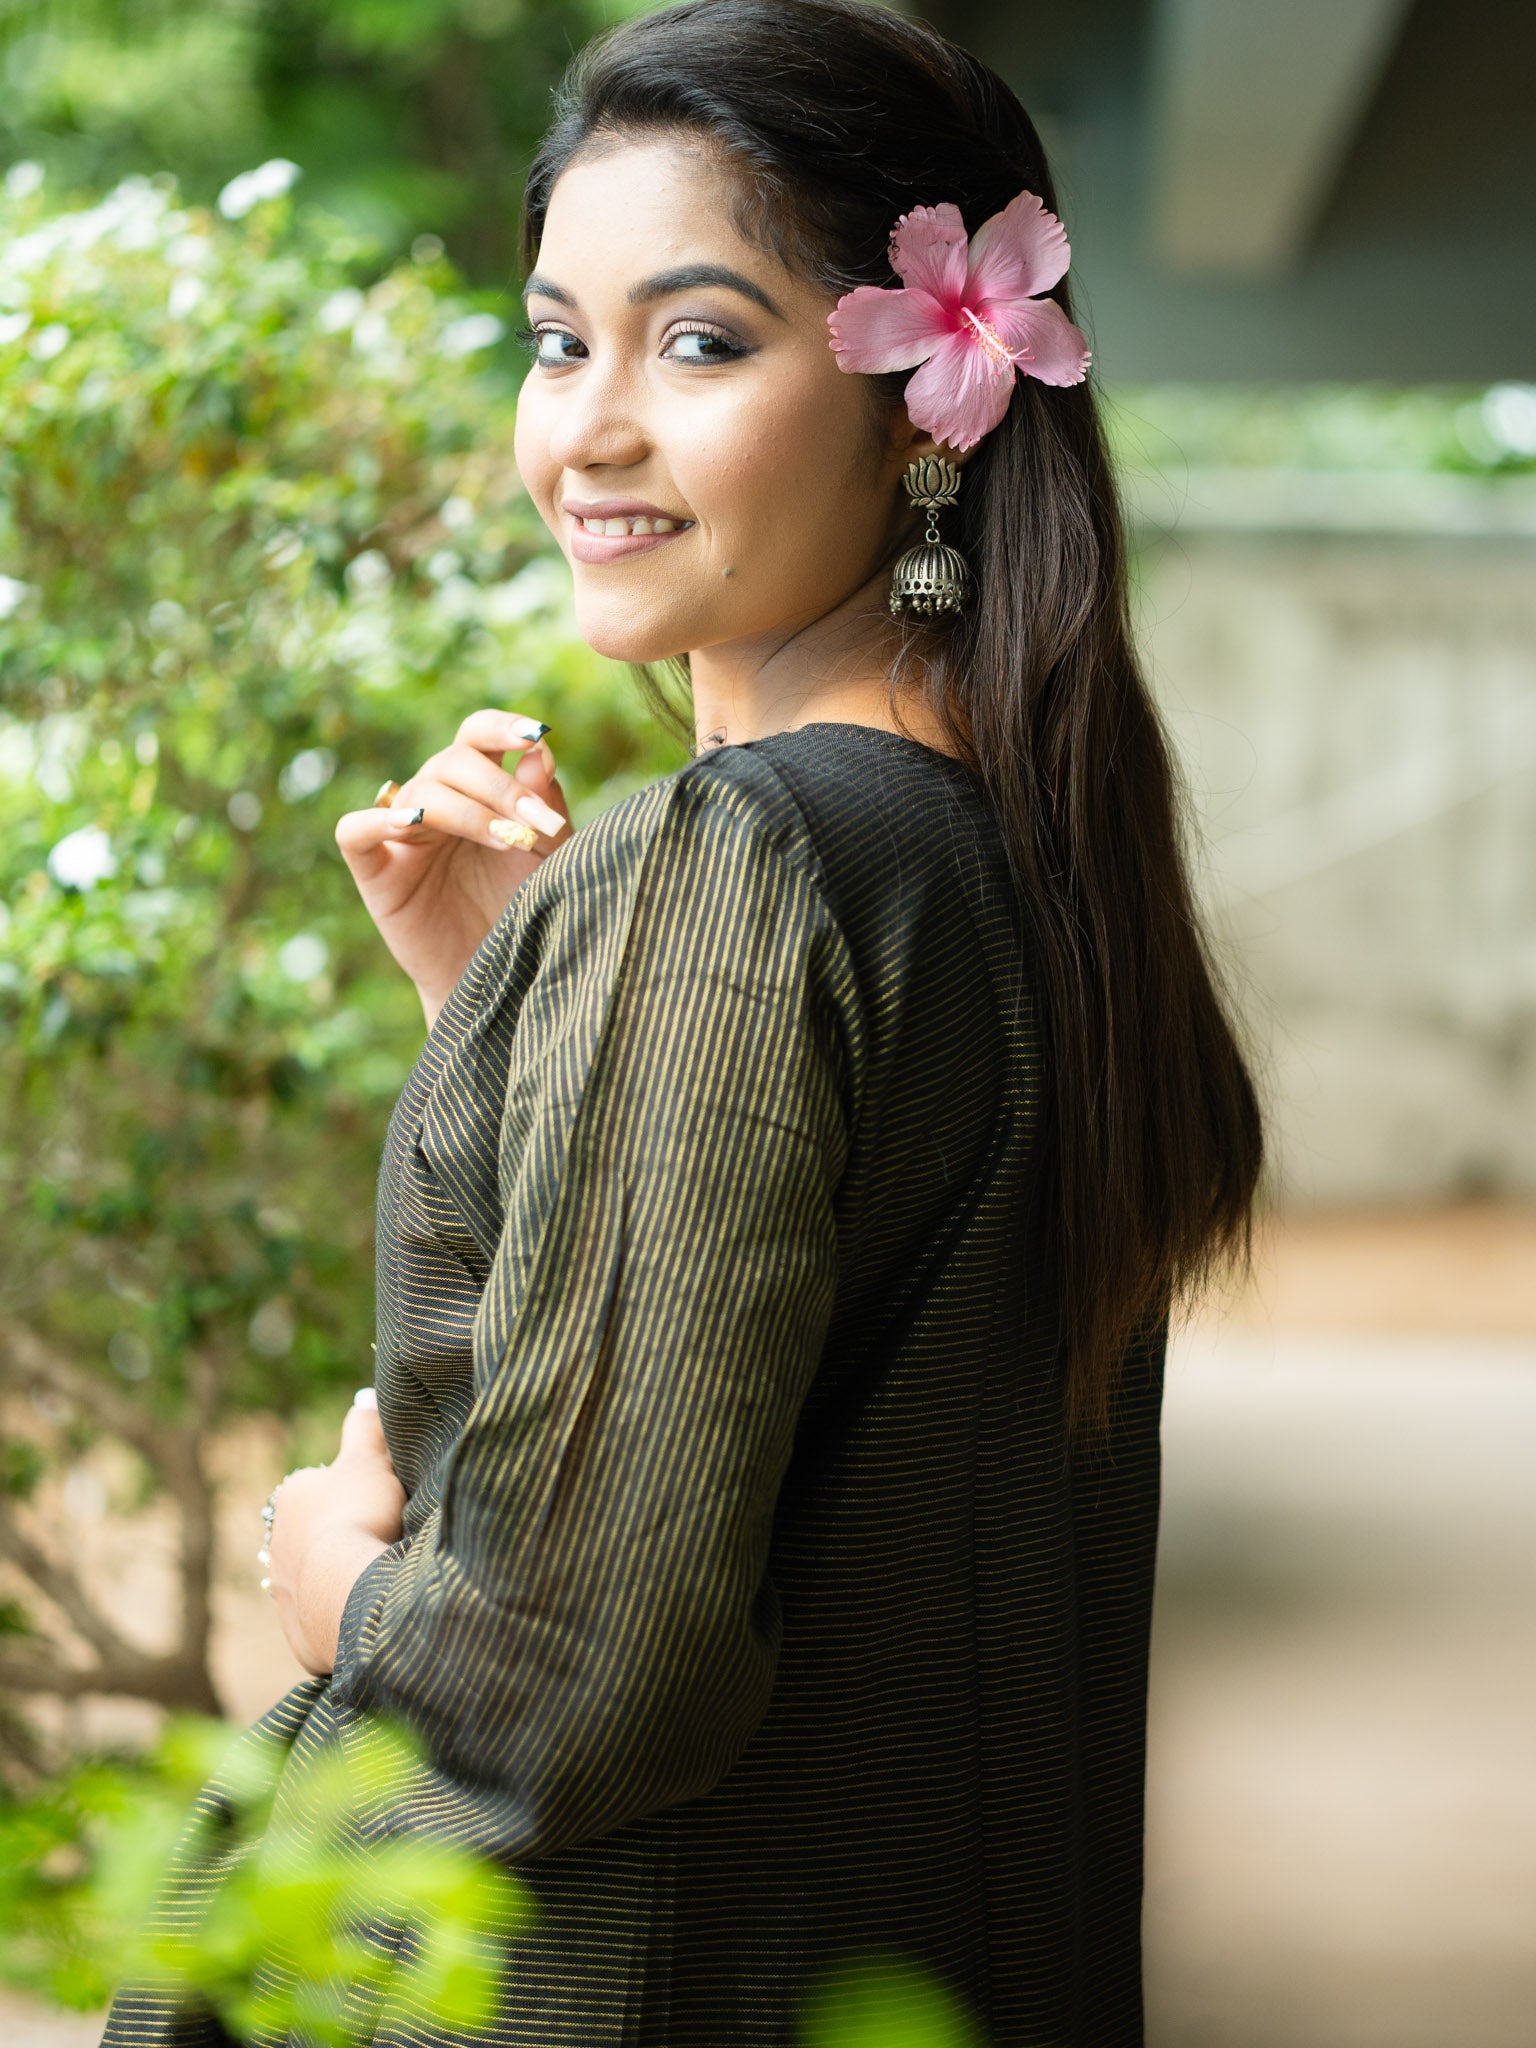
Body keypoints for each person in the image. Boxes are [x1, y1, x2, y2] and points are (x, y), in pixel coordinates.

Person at [99, 1, 1263, 2043]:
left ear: (927, 399)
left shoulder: (732, 865)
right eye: (560, 340)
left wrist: (335, 1586)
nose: (588, 428)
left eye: (702, 340)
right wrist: (514, 1011)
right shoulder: (1028, 863)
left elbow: (570, 1675)